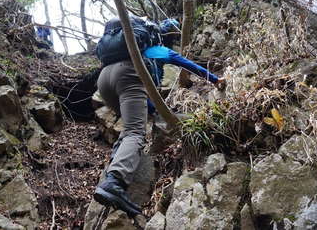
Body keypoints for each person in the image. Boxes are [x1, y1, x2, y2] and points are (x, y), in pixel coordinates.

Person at [94, 16, 225, 216]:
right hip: (128, 74)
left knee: (129, 127)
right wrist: (215, 80)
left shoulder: (126, 49)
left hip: (104, 79)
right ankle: (114, 182)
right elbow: (189, 65)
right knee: (135, 132)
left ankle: (113, 171)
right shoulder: (159, 50)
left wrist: (153, 110)